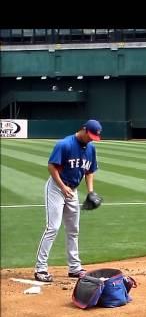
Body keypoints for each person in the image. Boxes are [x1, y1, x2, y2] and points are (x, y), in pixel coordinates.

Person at [34, 120, 102, 282]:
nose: (92, 139)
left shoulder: (91, 148)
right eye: (90, 136)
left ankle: (74, 268)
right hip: (56, 189)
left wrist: (91, 191)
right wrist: (62, 187)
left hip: (73, 190)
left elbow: (89, 171)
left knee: (73, 229)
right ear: (84, 130)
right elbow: (51, 166)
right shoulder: (64, 144)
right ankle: (40, 268)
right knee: (53, 227)